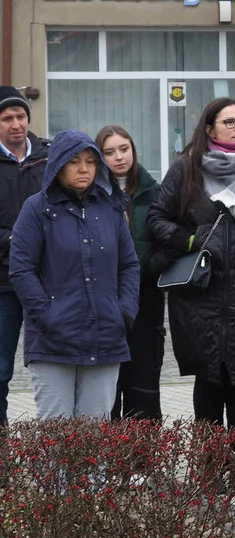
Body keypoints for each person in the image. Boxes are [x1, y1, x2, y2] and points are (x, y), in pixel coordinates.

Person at [147, 97, 235, 456]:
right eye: (229, 121)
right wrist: (188, 239)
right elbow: (156, 218)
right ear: (209, 128)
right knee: (209, 376)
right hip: (201, 289)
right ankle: (210, 466)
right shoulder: (187, 169)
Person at [10, 130, 139, 419]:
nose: (84, 169)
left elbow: (129, 265)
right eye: (74, 161)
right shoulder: (37, 208)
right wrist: (47, 315)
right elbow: (21, 269)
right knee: (56, 434)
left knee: (95, 435)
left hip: (106, 336)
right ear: (58, 165)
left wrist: (125, 311)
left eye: (90, 162)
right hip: (52, 342)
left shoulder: (110, 208)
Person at [96, 125, 163, 420]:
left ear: (133, 149)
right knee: (109, 381)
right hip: (105, 299)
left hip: (147, 296)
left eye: (124, 149)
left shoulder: (154, 191)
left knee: (144, 378)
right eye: (109, 152)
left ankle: (142, 458)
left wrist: (151, 266)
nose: (119, 157)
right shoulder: (94, 193)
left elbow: (167, 238)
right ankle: (109, 460)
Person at [0, 86, 49, 425]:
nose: (15, 124)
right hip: (2, 283)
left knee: (52, 364)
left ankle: (63, 442)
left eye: (20, 116)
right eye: (6, 118)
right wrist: (16, 238)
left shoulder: (50, 156)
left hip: (48, 279)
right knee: (0, 367)